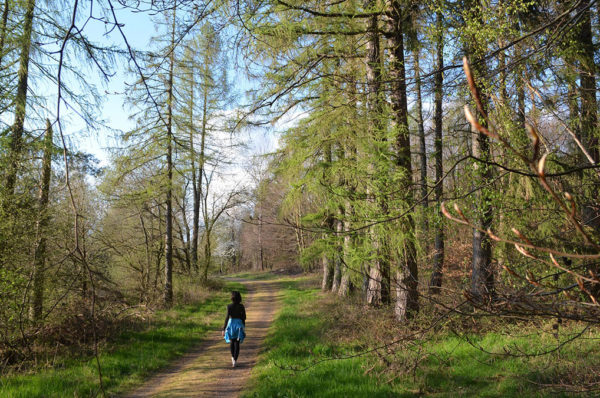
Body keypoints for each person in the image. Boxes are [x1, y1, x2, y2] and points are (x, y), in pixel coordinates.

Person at [222, 290, 246, 367]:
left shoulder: (229, 306)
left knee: (232, 341)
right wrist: (243, 325)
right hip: (239, 325)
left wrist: (223, 329)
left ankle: (233, 358)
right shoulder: (241, 306)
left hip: (231, 324)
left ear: (232, 298)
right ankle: (235, 359)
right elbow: (244, 317)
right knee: (237, 343)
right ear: (239, 298)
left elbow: (226, 318)